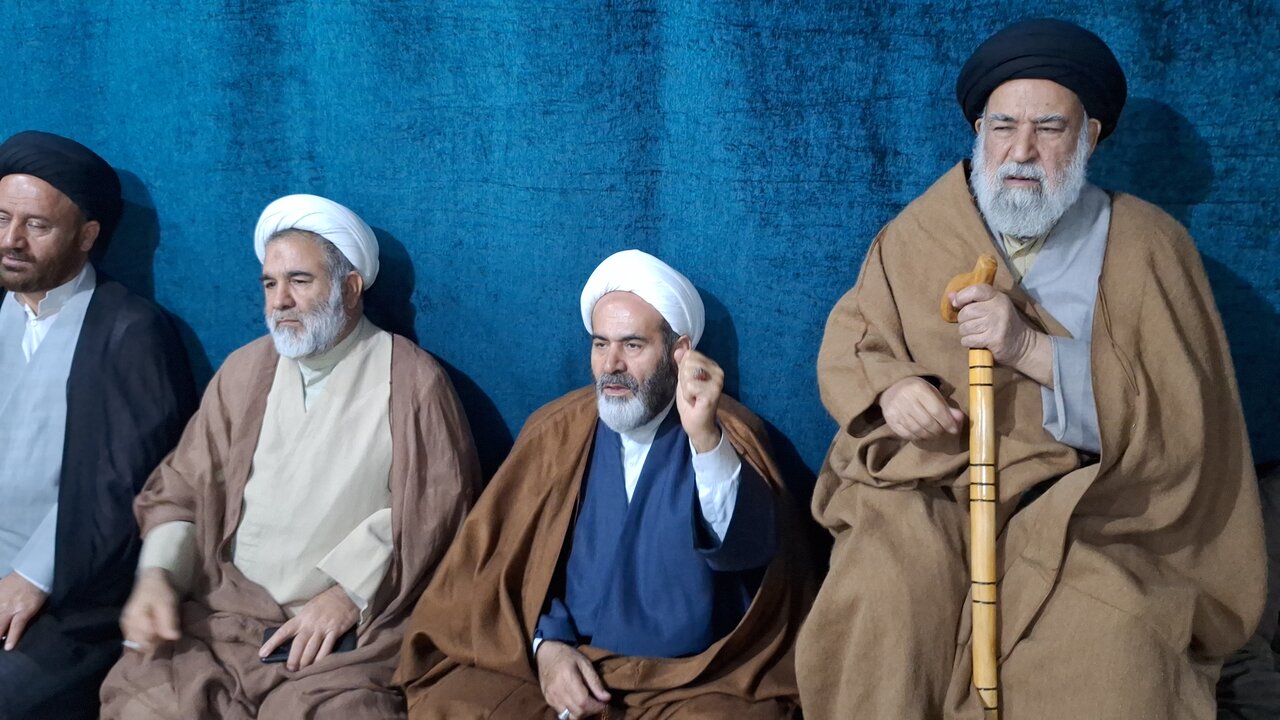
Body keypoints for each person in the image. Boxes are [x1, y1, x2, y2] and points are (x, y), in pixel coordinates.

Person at [797, 19, 1266, 720]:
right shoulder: (914, 234)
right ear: (978, 131)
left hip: (1090, 501)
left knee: (1106, 642)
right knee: (884, 599)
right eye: (1003, 127)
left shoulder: (1147, 245)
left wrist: (1028, 349)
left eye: (1049, 128)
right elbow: (854, 342)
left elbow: (1185, 417)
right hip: (933, 486)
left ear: (1089, 137)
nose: (1021, 150)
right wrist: (892, 389)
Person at [99, 194, 480, 719]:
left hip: (344, 638)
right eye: (269, 284)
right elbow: (184, 488)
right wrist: (158, 576)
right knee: (146, 701)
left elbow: (435, 515)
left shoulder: (413, 381)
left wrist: (347, 595)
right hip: (224, 619)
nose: (279, 301)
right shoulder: (244, 371)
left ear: (350, 289)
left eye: (299, 281)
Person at [396, 250, 811, 719]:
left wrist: (704, 439)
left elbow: (748, 552)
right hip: (566, 660)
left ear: (679, 352)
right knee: (454, 703)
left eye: (632, 346)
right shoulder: (557, 430)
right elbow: (505, 569)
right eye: (600, 344)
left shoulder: (726, 431)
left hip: (689, 680)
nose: (611, 364)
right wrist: (546, 647)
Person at [0, 130, 196, 720]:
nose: (10, 240)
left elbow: (125, 485)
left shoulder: (130, 331)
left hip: (68, 592)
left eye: (36, 225)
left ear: (86, 236)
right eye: (2, 219)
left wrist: (32, 577)